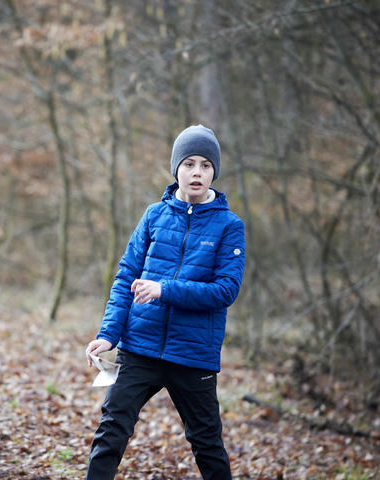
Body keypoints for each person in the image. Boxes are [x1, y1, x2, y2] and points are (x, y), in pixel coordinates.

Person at [84, 125, 245, 480]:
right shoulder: (154, 215)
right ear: (176, 169)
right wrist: (108, 335)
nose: (197, 172)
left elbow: (225, 291)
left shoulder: (229, 226)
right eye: (189, 163)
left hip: (193, 354)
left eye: (205, 165)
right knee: (111, 430)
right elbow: (125, 278)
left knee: (207, 443)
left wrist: (164, 289)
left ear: (214, 171)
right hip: (139, 347)